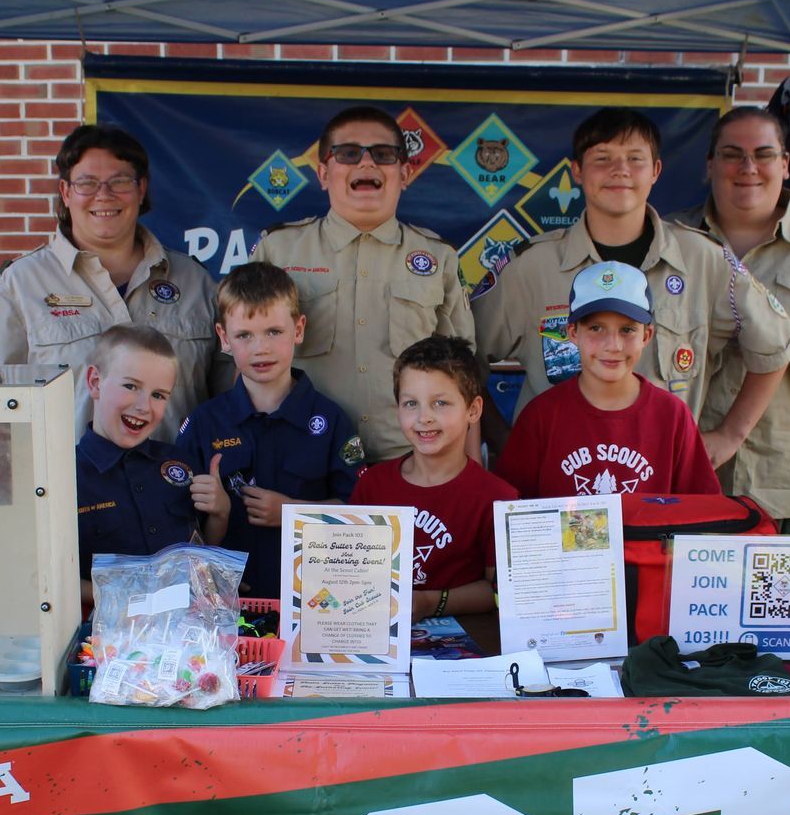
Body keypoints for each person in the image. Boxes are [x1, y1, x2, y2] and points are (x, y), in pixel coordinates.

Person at [475, 106, 790, 464]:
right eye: (603, 158)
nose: (620, 170)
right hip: (556, 492)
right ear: (577, 171)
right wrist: (504, 440)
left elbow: (775, 344)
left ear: (656, 170)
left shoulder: (703, 260)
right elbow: (462, 359)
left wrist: (730, 435)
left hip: (662, 485)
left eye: (635, 158)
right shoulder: (531, 267)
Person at [0, 125, 219, 452]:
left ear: (141, 189)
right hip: (67, 498)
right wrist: (13, 496)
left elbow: (230, 401)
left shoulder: (196, 283)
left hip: (177, 495)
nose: (103, 195)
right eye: (87, 183)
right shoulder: (20, 284)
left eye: (120, 181)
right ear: (66, 192)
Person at [253, 106, 473, 464]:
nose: (366, 164)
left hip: (406, 462)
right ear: (324, 173)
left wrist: (467, 468)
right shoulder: (277, 251)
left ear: (404, 173)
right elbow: (237, 365)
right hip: (299, 460)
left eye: (384, 154)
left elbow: (463, 373)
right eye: (349, 153)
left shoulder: (439, 257)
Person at [669, 106, 790, 531]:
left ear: (785, 165)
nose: (748, 167)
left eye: (763, 154)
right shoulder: (672, 241)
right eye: (732, 154)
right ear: (710, 164)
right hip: (687, 485)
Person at [176, 263, 365, 602]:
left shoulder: (330, 420)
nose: (260, 348)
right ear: (223, 338)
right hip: (226, 605)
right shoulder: (205, 423)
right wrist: (211, 570)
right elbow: (175, 524)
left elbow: (360, 514)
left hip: (317, 603)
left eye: (274, 332)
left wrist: (292, 513)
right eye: (244, 335)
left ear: (299, 329)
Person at [495, 261, 720, 500]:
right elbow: (512, 516)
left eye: (627, 330)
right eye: (596, 328)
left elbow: (702, 511)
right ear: (572, 333)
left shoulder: (672, 416)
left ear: (646, 335)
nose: (613, 345)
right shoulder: (541, 416)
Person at [351, 335, 517, 621]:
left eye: (440, 403)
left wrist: (431, 602)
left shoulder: (498, 497)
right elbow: (347, 571)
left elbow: (498, 590)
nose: (423, 417)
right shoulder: (372, 485)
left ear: (473, 410)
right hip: (376, 639)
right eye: (411, 403)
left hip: (468, 645)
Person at [73, 325, 202, 603]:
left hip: (183, 635)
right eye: (131, 386)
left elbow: (202, 551)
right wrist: (130, 595)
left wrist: (221, 514)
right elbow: (50, 581)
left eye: (158, 395)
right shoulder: (64, 477)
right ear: (95, 382)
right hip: (99, 638)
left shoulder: (181, 464)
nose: (144, 406)